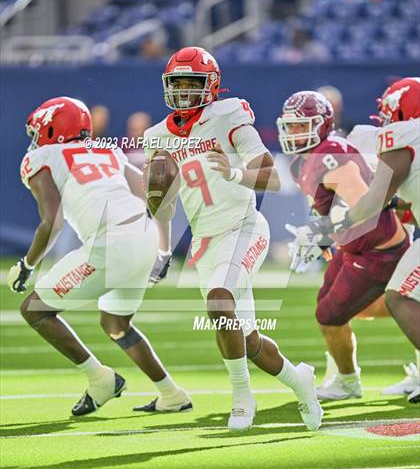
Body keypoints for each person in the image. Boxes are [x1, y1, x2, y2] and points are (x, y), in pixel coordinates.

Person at [142, 46, 323, 432]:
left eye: (193, 83)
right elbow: (167, 208)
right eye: (178, 84)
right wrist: (155, 203)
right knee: (249, 339)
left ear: (212, 86)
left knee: (219, 299)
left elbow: (271, 178)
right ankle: (299, 381)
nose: (185, 92)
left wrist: (235, 173)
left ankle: (242, 398)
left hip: (243, 226)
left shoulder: (229, 115)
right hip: (205, 242)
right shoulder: (156, 136)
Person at [7, 96, 192, 416]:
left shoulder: (42, 157)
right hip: (144, 237)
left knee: (34, 309)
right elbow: (154, 195)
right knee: (116, 323)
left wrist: (27, 265)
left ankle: (99, 378)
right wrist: (163, 250)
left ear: (51, 127)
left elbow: (53, 220)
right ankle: (171, 394)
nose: (35, 140)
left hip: (112, 243)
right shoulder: (109, 149)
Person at [277, 90, 410, 401]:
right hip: (353, 247)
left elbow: (366, 207)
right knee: (330, 305)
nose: (296, 133)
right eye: (292, 126)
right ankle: (347, 376)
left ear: (322, 124)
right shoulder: (302, 163)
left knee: (330, 315)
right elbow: (325, 208)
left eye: (302, 126)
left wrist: (324, 232)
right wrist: (316, 234)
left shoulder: (331, 154)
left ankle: (348, 382)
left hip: (377, 248)